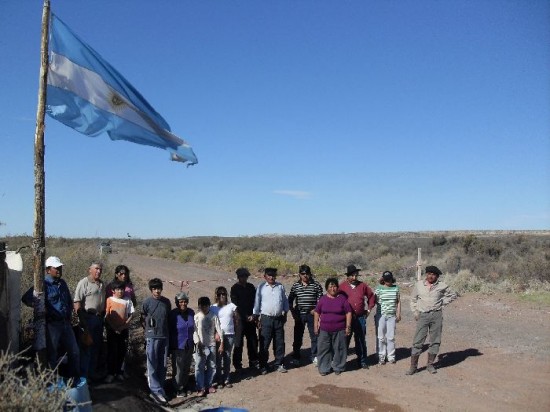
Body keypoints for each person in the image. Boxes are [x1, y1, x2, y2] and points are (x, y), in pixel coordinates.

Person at [21, 256, 80, 381]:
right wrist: (40, 308)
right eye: (56, 268)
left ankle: (74, 380)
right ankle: (51, 382)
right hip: (52, 325)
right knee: (52, 355)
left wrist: (70, 315)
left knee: (74, 351)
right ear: (48, 270)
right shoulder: (43, 284)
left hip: (65, 323)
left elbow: (68, 301)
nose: (59, 270)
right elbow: (26, 298)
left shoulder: (62, 283)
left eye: (60, 267)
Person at [406, 265, 458, 375]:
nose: (431, 276)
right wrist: (415, 312)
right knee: (418, 341)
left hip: (436, 315)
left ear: (437, 276)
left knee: (435, 341)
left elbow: (453, 295)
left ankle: (430, 365)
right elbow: (413, 299)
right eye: (429, 274)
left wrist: (442, 303)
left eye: (434, 274)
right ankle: (413, 367)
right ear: (426, 274)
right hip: (422, 315)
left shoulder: (442, 286)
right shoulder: (419, 285)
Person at [141, 278, 171, 405]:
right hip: (152, 337)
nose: (157, 291)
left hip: (164, 336)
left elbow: (168, 318)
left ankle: (160, 388)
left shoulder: (166, 302)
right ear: (151, 290)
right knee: (152, 364)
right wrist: (147, 332)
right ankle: (155, 391)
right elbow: (142, 317)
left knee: (162, 365)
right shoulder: (147, 302)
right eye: (154, 289)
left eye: (159, 288)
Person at [253, 267, 289, 374]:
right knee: (264, 343)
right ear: (265, 276)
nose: (271, 277)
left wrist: (285, 314)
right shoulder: (261, 287)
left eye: (273, 275)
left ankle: (279, 363)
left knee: (279, 342)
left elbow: (285, 302)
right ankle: (263, 365)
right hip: (265, 319)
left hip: (278, 319)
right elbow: (257, 303)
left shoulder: (280, 287)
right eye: (269, 275)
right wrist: (256, 318)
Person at [339, 264, 375, 369]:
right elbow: (337, 299)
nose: (354, 278)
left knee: (360, 340)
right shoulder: (342, 286)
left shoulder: (362, 286)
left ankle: (362, 361)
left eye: (356, 275)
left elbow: (371, 296)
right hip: (347, 318)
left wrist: (368, 309)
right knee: (345, 339)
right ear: (348, 276)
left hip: (360, 317)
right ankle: (342, 362)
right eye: (352, 276)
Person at [313, 277, 352, 376]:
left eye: (335, 286)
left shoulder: (342, 299)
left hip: (339, 329)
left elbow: (348, 312)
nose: (333, 288)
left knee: (339, 348)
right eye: (331, 286)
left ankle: (338, 367)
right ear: (327, 288)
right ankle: (324, 368)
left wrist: (348, 326)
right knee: (324, 349)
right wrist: (315, 325)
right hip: (324, 329)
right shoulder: (323, 299)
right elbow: (317, 312)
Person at [74, 261, 106, 381]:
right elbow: (77, 302)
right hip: (87, 318)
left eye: (100, 269)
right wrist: (82, 321)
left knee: (96, 346)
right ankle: (84, 376)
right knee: (86, 347)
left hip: (99, 319)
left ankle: (92, 373)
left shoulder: (102, 284)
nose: (98, 271)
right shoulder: (84, 283)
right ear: (90, 269)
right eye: (96, 269)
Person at [288, 264, 323, 366]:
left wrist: (316, 310)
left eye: (307, 273)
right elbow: (290, 300)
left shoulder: (316, 285)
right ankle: (296, 356)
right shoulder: (296, 286)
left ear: (310, 274)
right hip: (300, 314)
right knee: (298, 336)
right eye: (303, 274)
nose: (305, 276)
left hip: (312, 315)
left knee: (315, 335)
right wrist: (293, 312)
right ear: (299, 274)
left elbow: (321, 301)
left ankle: (314, 355)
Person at [104, 280, 134, 383]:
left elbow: (131, 314)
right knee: (112, 351)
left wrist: (124, 326)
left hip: (123, 330)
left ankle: (119, 372)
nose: (120, 292)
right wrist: (113, 327)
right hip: (112, 330)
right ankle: (110, 373)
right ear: (113, 290)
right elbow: (107, 315)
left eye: (122, 289)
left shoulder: (127, 300)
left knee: (122, 351)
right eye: (118, 289)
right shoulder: (109, 300)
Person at [193, 296, 223, 397]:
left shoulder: (213, 316)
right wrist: (198, 343)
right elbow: (194, 332)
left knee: (212, 365)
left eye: (206, 305)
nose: (204, 308)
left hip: (211, 344)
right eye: (202, 306)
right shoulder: (196, 317)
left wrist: (221, 343)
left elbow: (219, 329)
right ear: (199, 306)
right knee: (199, 366)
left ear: (209, 305)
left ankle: (209, 385)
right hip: (201, 345)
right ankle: (200, 387)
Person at [230, 267, 259, 372]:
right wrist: (244, 316)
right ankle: (237, 364)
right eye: (242, 276)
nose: (244, 278)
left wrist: (254, 316)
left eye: (246, 276)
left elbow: (255, 302)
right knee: (238, 342)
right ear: (238, 277)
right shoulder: (234, 288)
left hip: (251, 318)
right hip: (240, 319)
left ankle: (254, 361)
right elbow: (235, 304)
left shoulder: (251, 287)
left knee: (253, 341)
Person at [210, 286, 239, 388]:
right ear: (216, 296)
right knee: (218, 358)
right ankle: (219, 379)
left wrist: (234, 329)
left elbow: (236, 318)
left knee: (227, 358)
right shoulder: (212, 307)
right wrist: (215, 333)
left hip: (229, 335)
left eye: (224, 294)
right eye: (219, 294)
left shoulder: (231, 306)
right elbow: (210, 322)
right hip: (218, 336)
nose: (222, 296)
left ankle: (226, 379)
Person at [168, 292, 195, 398]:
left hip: (189, 344)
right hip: (177, 345)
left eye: (185, 301)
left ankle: (184, 385)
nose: (183, 303)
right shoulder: (173, 314)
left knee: (186, 367)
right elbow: (169, 329)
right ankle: (178, 388)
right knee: (178, 368)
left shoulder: (191, 312)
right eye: (180, 302)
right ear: (177, 302)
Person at [374, 271, 401, 365]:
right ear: (383, 280)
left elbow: (398, 301)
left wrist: (398, 313)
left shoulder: (396, 288)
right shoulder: (379, 289)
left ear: (392, 279)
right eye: (386, 279)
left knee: (391, 337)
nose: (388, 281)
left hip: (392, 316)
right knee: (381, 337)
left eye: (389, 279)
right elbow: (375, 300)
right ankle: (381, 356)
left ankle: (391, 356)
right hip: (381, 315)